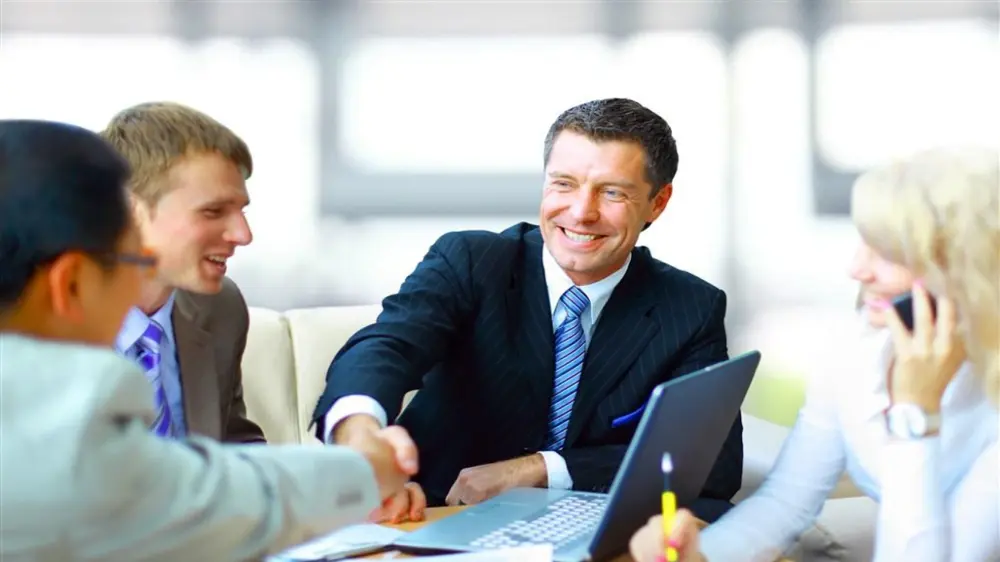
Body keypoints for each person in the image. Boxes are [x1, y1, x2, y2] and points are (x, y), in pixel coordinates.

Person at [0, 119, 418, 561]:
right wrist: (363, 472)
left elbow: (226, 458)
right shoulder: (57, 413)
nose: (242, 235)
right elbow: (189, 497)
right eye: (129, 265)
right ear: (71, 285)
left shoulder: (218, 311)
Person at [312, 98, 744, 524]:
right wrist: (361, 436)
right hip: (440, 513)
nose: (581, 212)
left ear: (657, 202)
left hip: (586, 526)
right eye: (564, 184)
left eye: (612, 192)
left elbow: (712, 463)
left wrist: (541, 470)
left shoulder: (691, 307)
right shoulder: (471, 262)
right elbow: (386, 346)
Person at [629, 146, 999, 562]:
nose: (857, 269)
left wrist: (915, 414)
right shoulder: (859, 348)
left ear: (966, 270)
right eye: (864, 243)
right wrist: (698, 555)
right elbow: (786, 502)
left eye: (889, 254)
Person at [98, 102, 264, 443]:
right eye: (213, 211)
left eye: (241, 211)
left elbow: (234, 446)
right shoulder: (28, 324)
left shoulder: (221, 307)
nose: (243, 234)